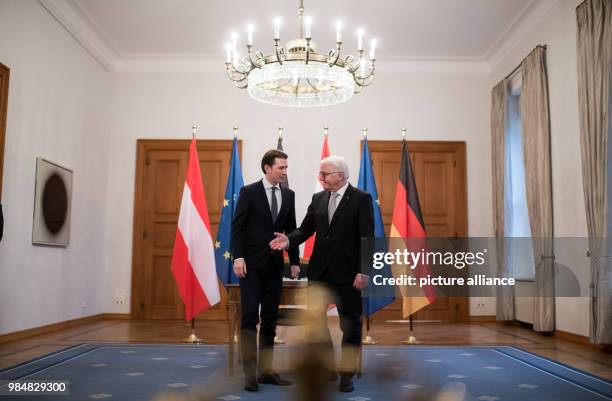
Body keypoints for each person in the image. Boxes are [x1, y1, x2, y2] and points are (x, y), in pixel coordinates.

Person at [270, 155, 373, 393]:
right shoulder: (318, 198)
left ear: (341, 175)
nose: (321, 177)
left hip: (349, 275)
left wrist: (364, 271)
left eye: (325, 174)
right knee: (316, 324)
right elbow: (305, 229)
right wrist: (288, 240)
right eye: (321, 174)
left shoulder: (361, 199)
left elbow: (367, 238)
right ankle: (327, 368)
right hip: (319, 273)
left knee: (350, 326)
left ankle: (347, 374)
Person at [231, 149, 301, 392]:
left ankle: (266, 371)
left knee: (270, 320)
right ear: (267, 168)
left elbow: (291, 231)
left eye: (286, 167)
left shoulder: (289, 195)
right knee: (250, 317)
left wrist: (294, 260)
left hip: (274, 267)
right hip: (250, 266)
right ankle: (250, 373)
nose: (284, 172)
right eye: (281, 167)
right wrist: (238, 257)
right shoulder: (249, 192)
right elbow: (238, 227)